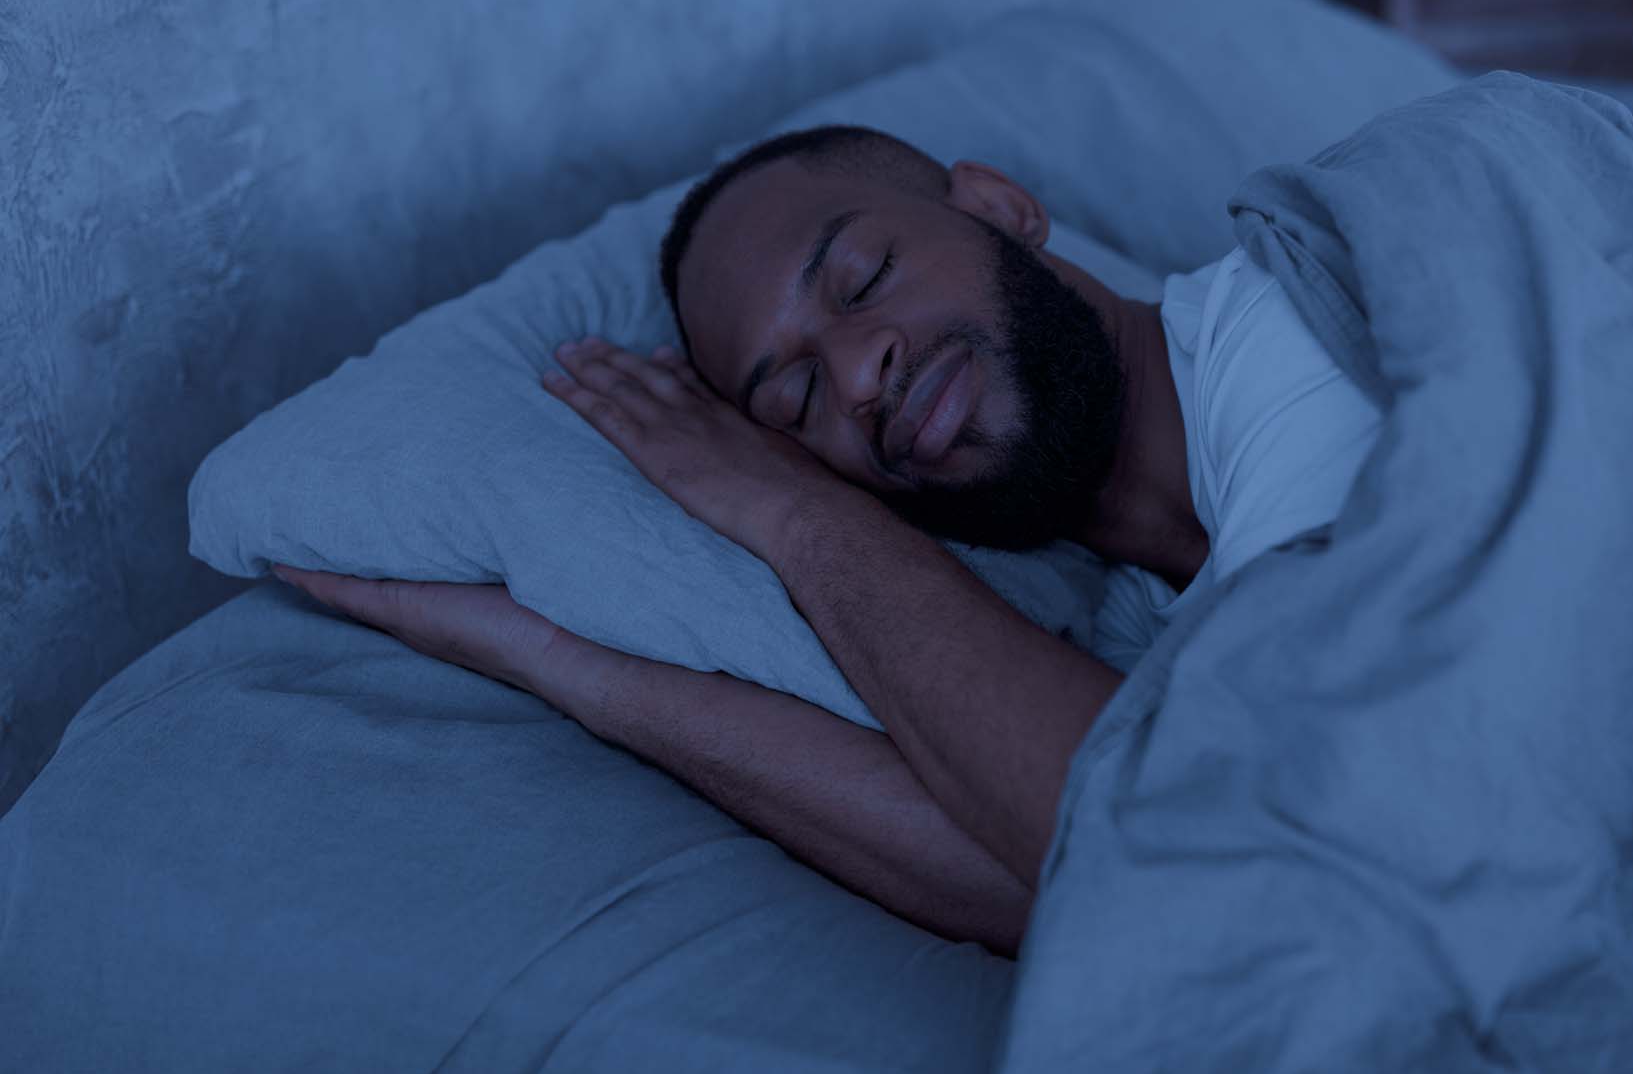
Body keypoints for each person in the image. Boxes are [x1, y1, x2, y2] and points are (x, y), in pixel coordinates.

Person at [272, 125, 1383, 957]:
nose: (856, 375)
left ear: (1001, 207)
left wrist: (802, 516)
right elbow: (1048, 860)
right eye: (794, 399)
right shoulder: (1140, 619)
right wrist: (561, 658)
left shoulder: (1295, 335)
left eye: (862, 278)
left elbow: (1182, 839)